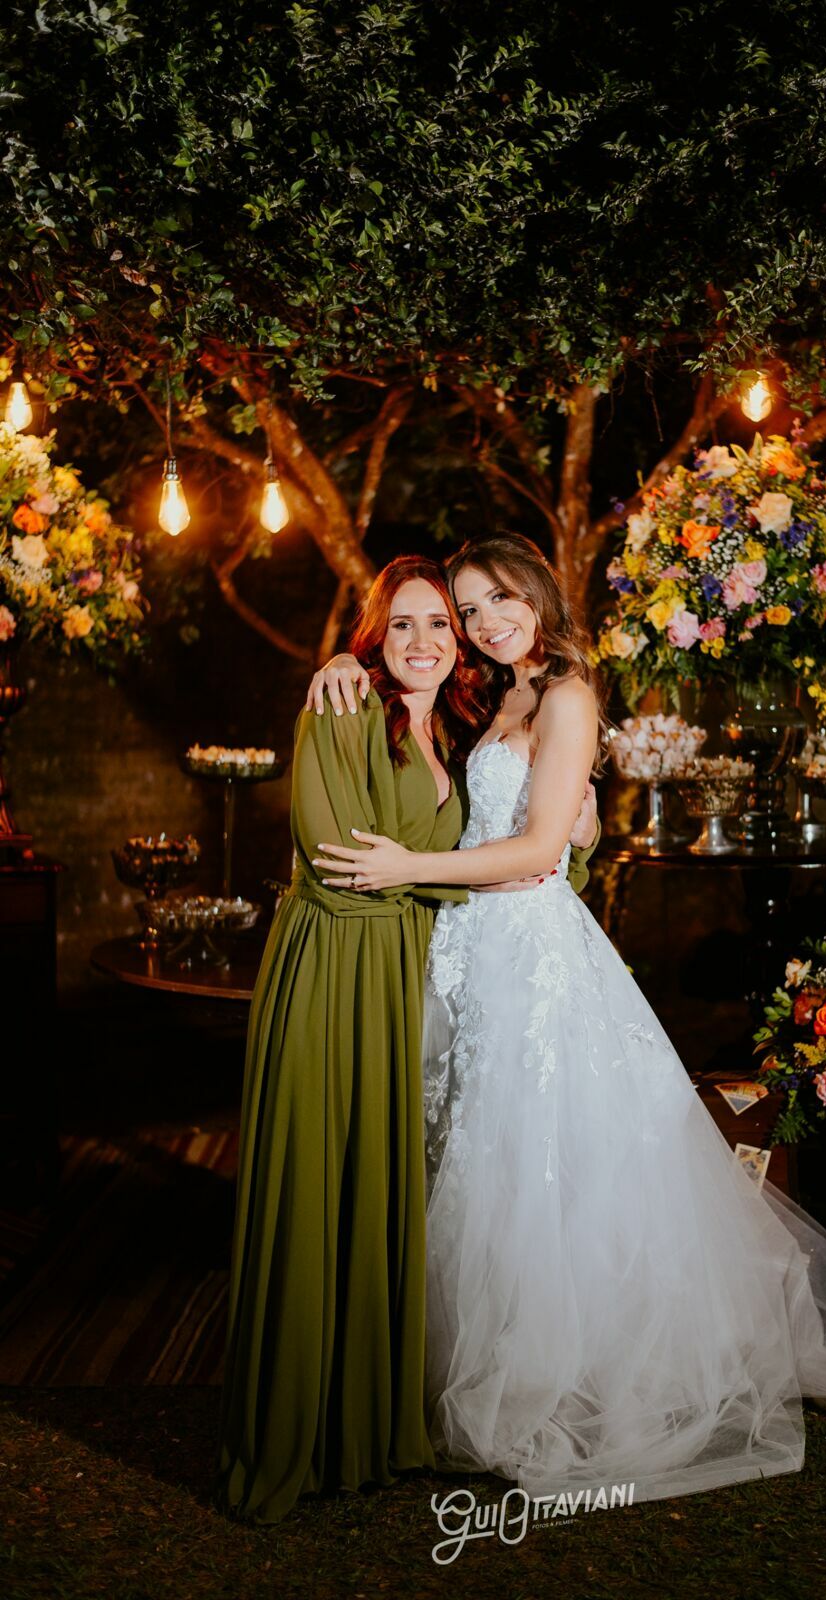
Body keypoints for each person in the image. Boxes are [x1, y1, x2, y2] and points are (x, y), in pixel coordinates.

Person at [309, 532, 826, 1505]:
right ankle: (445, 1370)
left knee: (540, 1169)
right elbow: (472, 777)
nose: (483, 621)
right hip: (473, 949)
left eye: (499, 598)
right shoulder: (498, 693)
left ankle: (557, 1380)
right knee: (480, 1158)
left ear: (540, 596)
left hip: (530, 954)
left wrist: (403, 867)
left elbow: (538, 849)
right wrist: (350, 654)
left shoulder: (567, 696)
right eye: (467, 610)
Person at [215, 553, 599, 1524]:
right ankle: (297, 1430)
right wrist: (496, 873)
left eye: (450, 620)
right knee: (321, 1187)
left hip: (408, 979)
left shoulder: (464, 721)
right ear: (371, 640)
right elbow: (343, 861)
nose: (432, 639)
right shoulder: (343, 707)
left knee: (392, 1193)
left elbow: (510, 845)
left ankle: (377, 1425)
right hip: (338, 976)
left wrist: (558, 853)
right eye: (409, 625)